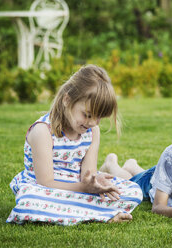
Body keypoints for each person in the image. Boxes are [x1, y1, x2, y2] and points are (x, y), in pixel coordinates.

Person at [7, 65, 143, 226]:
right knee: (30, 202)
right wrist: (85, 188)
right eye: (87, 115)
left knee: (133, 191)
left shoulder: (92, 132)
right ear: (67, 100)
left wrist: (96, 183)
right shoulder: (43, 132)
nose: (92, 123)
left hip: (78, 186)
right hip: (46, 189)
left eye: (98, 118)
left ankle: (88, 212)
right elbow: (46, 182)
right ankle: (103, 214)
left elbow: (88, 174)